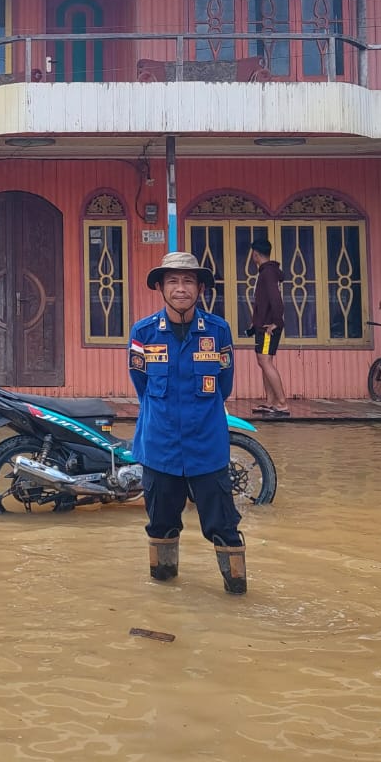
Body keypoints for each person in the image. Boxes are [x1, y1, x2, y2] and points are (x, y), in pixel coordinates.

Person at [127, 250, 247, 595]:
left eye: (188, 281)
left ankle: (237, 595)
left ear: (200, 288)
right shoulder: (143, 333)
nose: (181, 288)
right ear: (161, 288)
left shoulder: (219, 331)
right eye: (173, 281)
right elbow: (142, 386)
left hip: (207, 449)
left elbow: (223, 386)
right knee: (161, 526)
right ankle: (164, 598)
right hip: (159, 448)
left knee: (224, 526)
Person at [248, 237, 289, 416]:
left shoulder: (268, 273)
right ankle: (270, 402)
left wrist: (276, 323)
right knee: (264, 362)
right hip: (263, 324)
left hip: (268, 328)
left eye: (252, 254)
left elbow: (276, 300)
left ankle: (281, 403)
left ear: (255, 254)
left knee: (265, 361)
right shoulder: (267, 272)